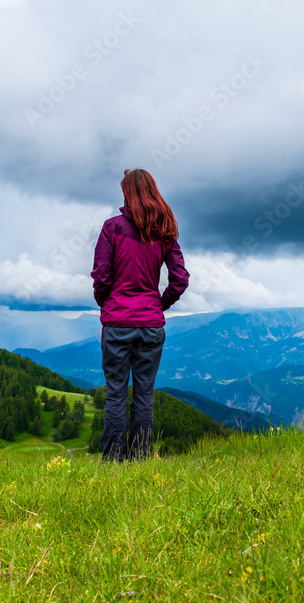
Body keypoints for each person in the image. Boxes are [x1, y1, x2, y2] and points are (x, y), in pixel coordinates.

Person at [91, 168, 189, 462]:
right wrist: (160, 304)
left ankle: (112, 464)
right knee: (144, 395)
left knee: (116, 395)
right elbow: (180, 279)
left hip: (117, 324)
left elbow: (101, 277)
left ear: (127, 192)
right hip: (150, 325)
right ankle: (140, 461)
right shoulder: (165, 231)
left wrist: (106, 307)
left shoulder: (112, 228)